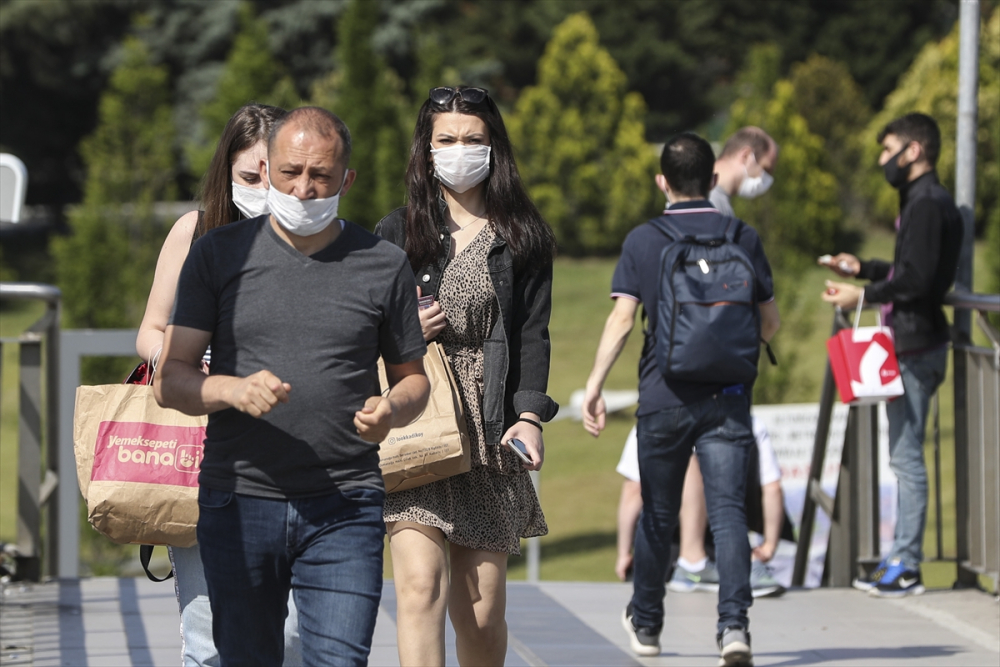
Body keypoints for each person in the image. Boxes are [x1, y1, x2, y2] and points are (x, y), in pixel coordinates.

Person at [155, 106, 431, 666]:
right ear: (269, 167)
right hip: (240, 499)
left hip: (346, 502)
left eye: (321, 176)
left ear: (345, 180)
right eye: (289, 173)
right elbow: (171, 379)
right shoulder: (217, 253)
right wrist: (228, 390)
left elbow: (414, 381)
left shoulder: (383, 263)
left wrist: (393, 409)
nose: (303, 189)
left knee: (339, 660)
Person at [374, 85, 558, 667]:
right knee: (419, 587)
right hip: (418, 423)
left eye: (473, 140)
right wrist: (403, 332)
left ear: (494, 148)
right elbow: (360, 335)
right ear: (426, 150)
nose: (459, 150)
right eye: (446, 140)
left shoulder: (522, 236)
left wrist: (530, 417)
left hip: (489, 430)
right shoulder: (395, 232)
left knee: (480, 611)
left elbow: (534, 332)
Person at [583, 132, 779, 665]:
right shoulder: (743, 234)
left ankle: (646, 624)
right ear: (713, 180)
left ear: (661, 182)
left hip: (663, 396)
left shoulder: (645, 240)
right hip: (729, 397)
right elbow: (770, 322)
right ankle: (734, 627)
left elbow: (623, 318)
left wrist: (596, 385)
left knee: (658, 514)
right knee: (730, 514)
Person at [135, 103, 304, 667]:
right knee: (208, 638)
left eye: (269, 175)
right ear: (225, 175)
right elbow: (150, 332)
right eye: (246, 177)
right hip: (200, 447)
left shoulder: (312, 238)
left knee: (296, 634)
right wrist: (188, 368)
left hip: (292, 450)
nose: (259, 188)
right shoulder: (196, 230)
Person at [821, 112, 962, 598]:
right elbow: (909, 268)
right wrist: (863, 268)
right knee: (903, 456)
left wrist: (861, 296)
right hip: (914, 341)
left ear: (914, 151)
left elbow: (918, 281)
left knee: (905, 459)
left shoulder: (926, 203)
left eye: (888, 151)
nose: (884, 161)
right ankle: (899, 559)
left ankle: (906, 565)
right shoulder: (925, 200)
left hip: (916, 344)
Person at [614, 418, 787, 598]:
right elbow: (773, 488)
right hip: (727, 547)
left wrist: (624, 553)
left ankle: (692, 562)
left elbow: (633, 491)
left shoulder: (655, 419)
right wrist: (769, 546)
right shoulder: (751, 423)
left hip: (664, 546)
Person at [709, 126, 779, 218]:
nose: (767, 180)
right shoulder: (710, 202)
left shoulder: (715, 200)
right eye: (765, 169)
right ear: (746, 156)